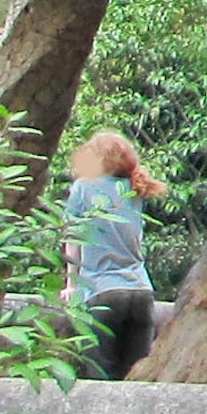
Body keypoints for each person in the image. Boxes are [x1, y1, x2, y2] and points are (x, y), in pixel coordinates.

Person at [63, 130, 166, 381]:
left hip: (102, 291)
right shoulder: (134, 188)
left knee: (99, 380)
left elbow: (73, 242)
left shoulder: (83, 188)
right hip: (141, 293)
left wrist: (71, 286)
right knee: (135, 379)